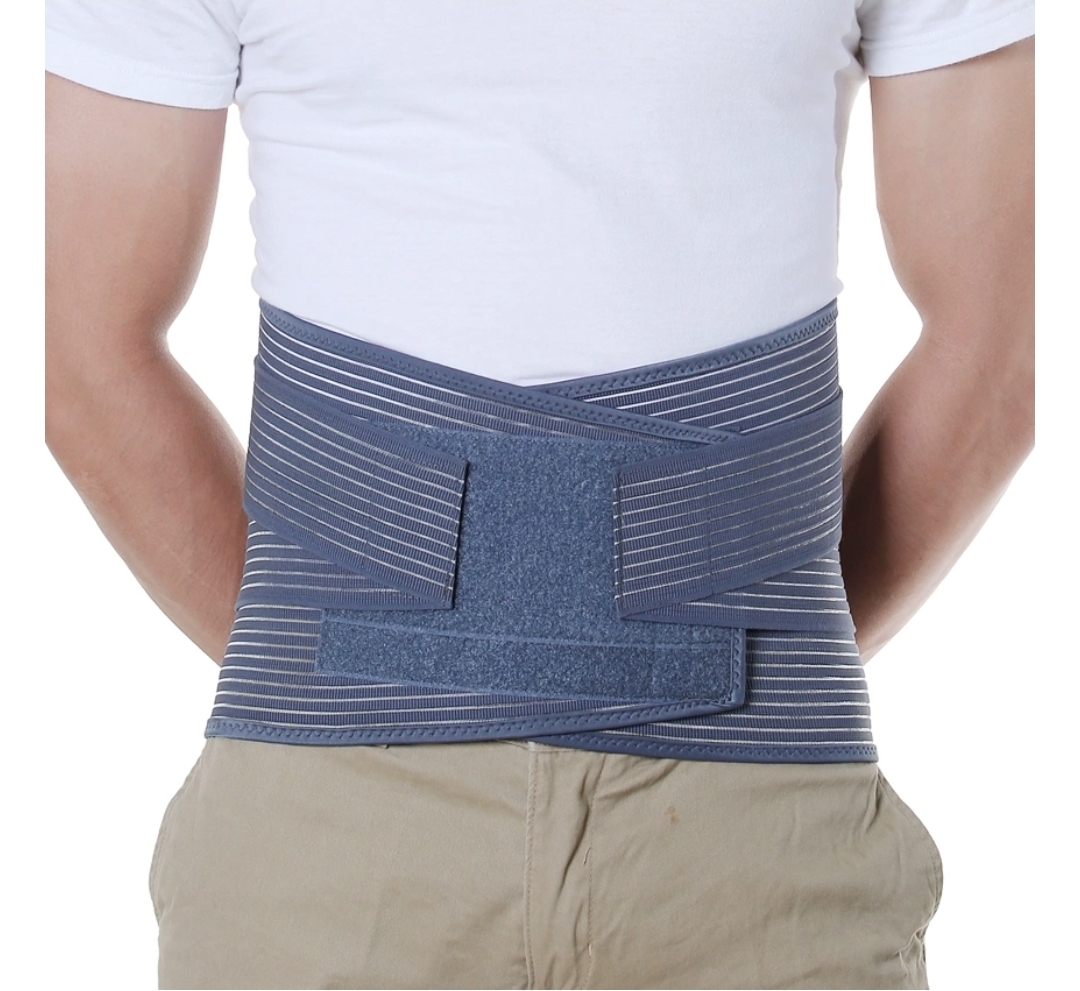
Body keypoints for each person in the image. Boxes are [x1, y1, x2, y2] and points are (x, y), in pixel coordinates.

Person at [44, 1, 1034, 988]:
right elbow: (71, 345)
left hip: (757, 838)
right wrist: (340, 651)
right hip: (328, 830)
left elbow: (1010, 333)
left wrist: (767, 636)